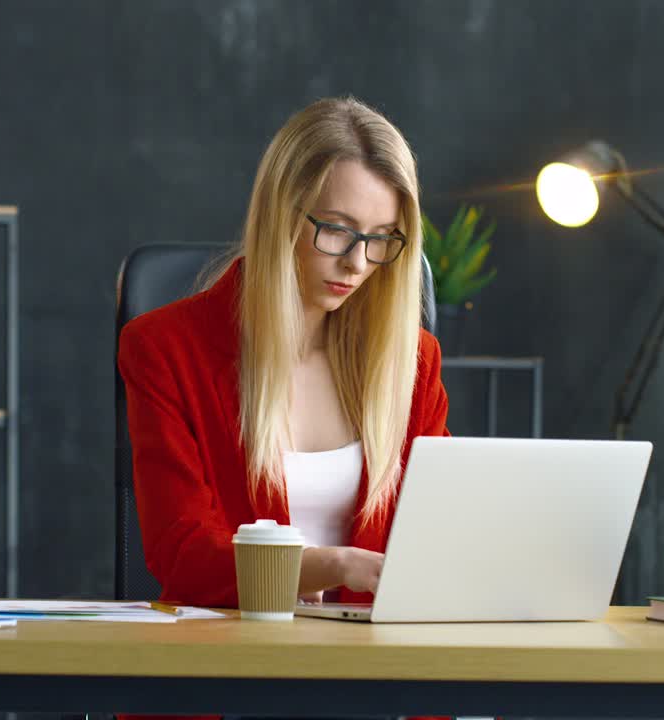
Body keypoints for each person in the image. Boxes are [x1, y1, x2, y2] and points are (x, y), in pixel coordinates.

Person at [117, 95, 450, 614]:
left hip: (377, 675)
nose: (358, 263)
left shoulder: (414, 363)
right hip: (230, 668)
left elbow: (443, 531)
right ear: (280, 216)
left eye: (381, 238)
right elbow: (181, 552)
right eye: (337, 230)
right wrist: (327, 564)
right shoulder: (164, 350)